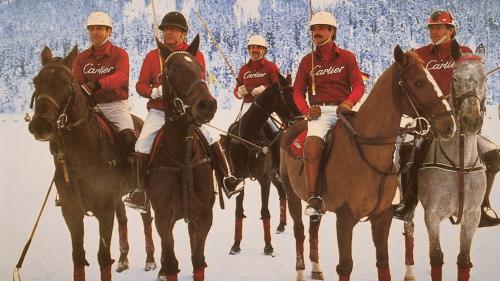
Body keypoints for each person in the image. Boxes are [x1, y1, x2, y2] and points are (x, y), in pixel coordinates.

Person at [124, 11, 243, 211]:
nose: (168, 33)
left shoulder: (194, 55)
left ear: (183, 33)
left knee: (210, 136)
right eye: (165, 29)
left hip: (188, 112)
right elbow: (140, 85)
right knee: (143, 142)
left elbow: (198, 84)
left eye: (173, 29)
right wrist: (154, 92)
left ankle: (226, 179)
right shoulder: (153, 56)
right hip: (160, 111)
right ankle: (141, 191)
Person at [393, 10, 500, 227]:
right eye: (431, 27)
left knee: (494, 155)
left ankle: (482, 204)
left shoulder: (464, 54)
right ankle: (409, 202)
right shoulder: (418, 55)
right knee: (406, 151)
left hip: (461, 121)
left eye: (438, 27)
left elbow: (474, 85)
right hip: (429, 120)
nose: (433, 31)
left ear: (451, 30)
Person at [293, 11, 365, 216]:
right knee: (312, 147)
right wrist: (306, 110)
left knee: (370, 138)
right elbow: (297, 91)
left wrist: (349, 102)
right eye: (314, 29)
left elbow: (358, 85)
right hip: (320, 114)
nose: (317, 32)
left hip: (344, 110)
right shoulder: (307, 61)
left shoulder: (347, 57)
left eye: (322, 28)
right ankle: (314, 197)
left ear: (332, 31)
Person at [73, 12, 136, 166]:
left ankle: (135, 179)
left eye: (100, 28)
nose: (95, 32)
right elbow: (79, 83)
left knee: (128, 138)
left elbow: (121, 76)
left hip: (115, 106)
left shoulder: (120, 54)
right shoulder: (81, 58)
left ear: (109, 31)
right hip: (90, 107)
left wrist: (96, 84)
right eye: (92, 29)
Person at [226, 34, 282, 178]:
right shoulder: (244, 69)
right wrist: (239, 92)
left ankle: (278, 167)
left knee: (276, 131)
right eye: (252, 47)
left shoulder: (271, 67)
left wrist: (265, 89)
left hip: (266, 108)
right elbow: (236, 90)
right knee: (232, 131)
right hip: (248, 105)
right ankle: (233, 169)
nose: (255, 50)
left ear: (264, 50)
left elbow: (278, 87)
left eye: (258, 47)